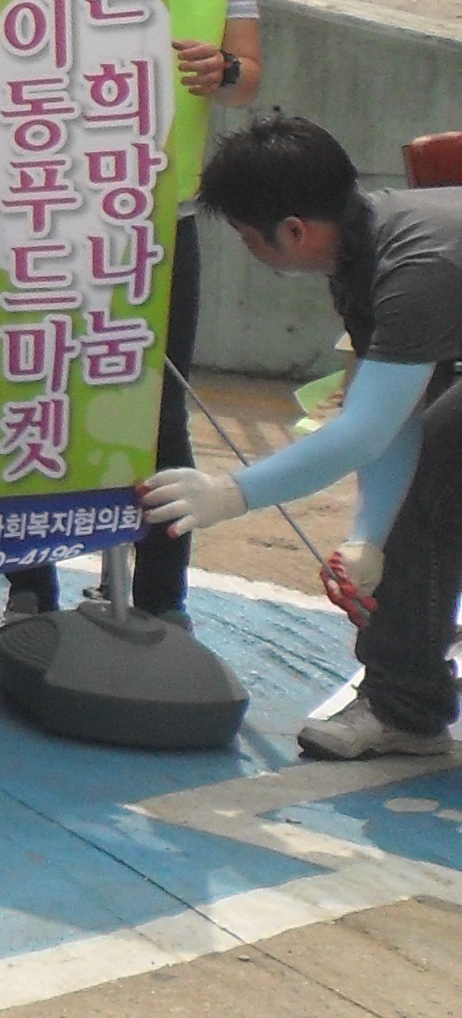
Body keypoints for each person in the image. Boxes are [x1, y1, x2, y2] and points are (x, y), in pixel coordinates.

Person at [4, 0, 264, 621]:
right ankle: (29, 593)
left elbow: (251, 68)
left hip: (164, 214)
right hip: (53, 205)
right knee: (47, 399)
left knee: (160, 417)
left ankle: (162, 604)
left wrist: (220, 70)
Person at [152, 117, 462, 762]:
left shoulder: (418, 266)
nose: (248, 250)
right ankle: (407, 703)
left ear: (294, 230)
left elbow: (361, 432)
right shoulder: (368, 247)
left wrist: (231, 494)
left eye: (245, 236)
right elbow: (396, 419)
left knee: (438, 484)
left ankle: (406, 706)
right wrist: (368, 536)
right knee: (432, 472)